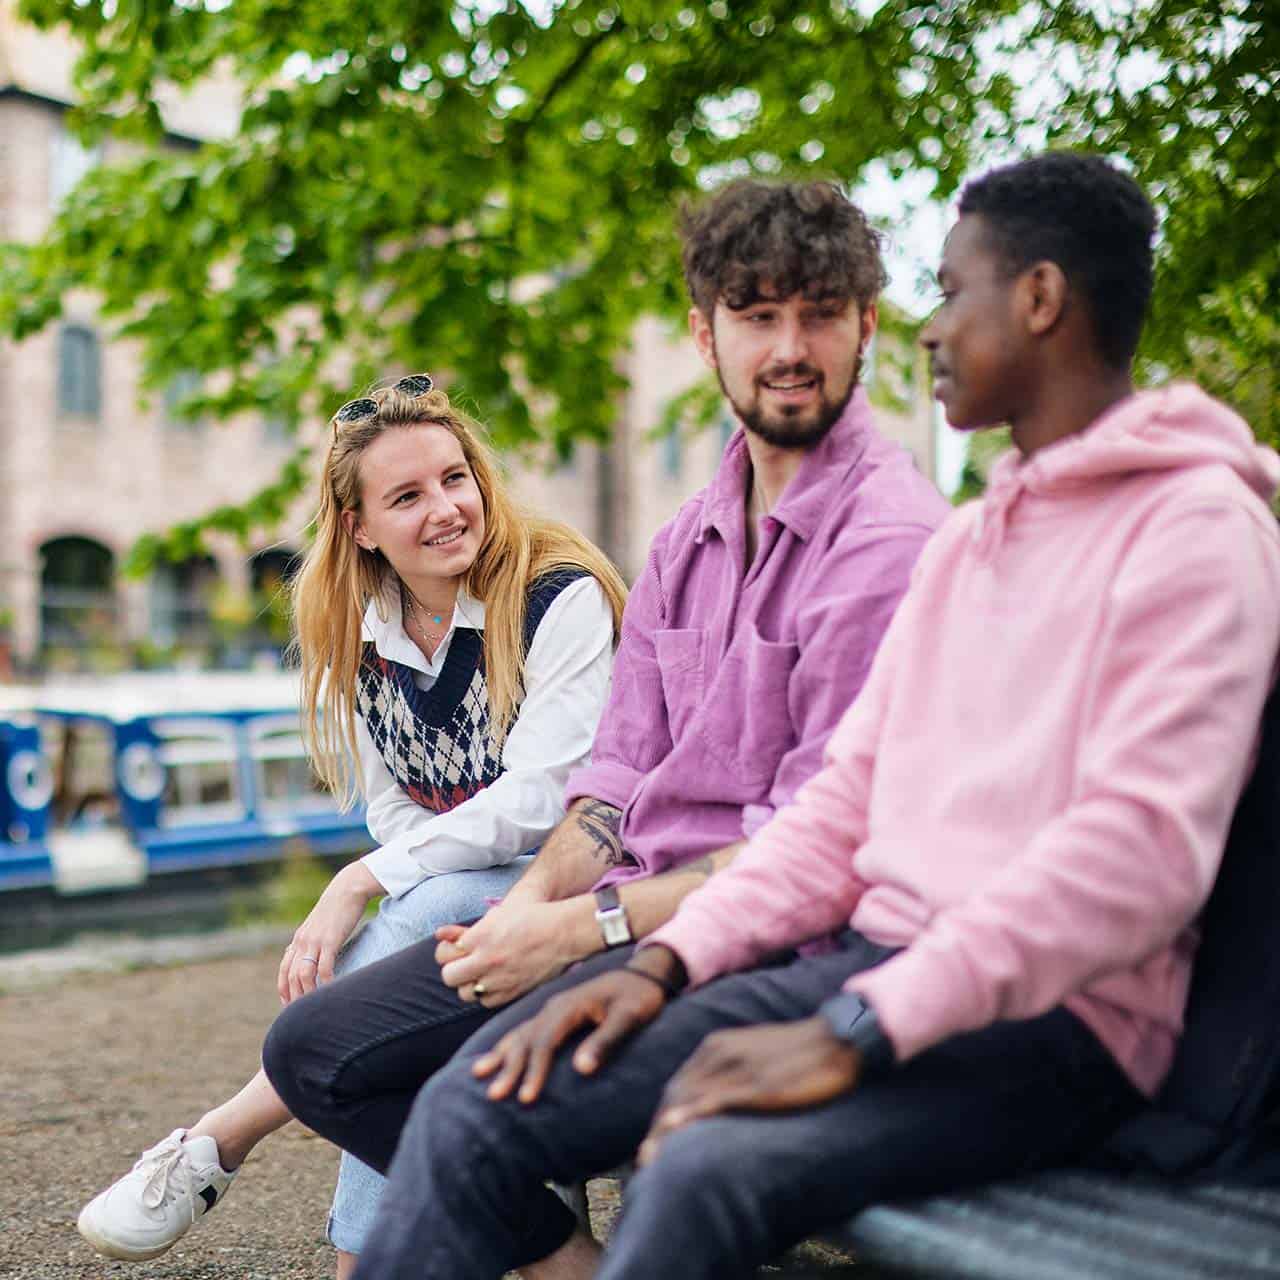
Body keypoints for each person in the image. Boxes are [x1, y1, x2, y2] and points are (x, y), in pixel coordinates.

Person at [316, 152, 1280, 1280]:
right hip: (883, 963)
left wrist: (856, 1025)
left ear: (1037, 301)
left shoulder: (1192, 530)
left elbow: (1136, 862)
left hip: (1059, 1020)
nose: (923, 335)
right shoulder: (981, 538)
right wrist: (662, 964)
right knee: (476, 1106)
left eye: (950, 293)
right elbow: (844, 804)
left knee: (703, 1162)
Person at [260, 179, 948, 1276]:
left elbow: (818, 847)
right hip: (626, 917)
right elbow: (613, 777)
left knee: (463, 1115)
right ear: (703, 332)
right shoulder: (686, 539)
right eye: (754, 314)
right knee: (313, 1049)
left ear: (867, 324)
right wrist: (525, 914)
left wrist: (584, 931)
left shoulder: (889, 543)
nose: (787, 346)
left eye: (818, 312)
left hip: (772, 949)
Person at [76, 376, 627, 1274]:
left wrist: (359, 878)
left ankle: (227, 1141)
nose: (447, 508)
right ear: (361, 525)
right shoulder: (359, 633)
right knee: (422, 933)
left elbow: (541, 801)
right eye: (407, 495)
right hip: (465, 920)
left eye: (457, 478)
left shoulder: (557, 596)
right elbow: (394, 807)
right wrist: (397, 864)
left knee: (412, 912)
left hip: (588, 896)